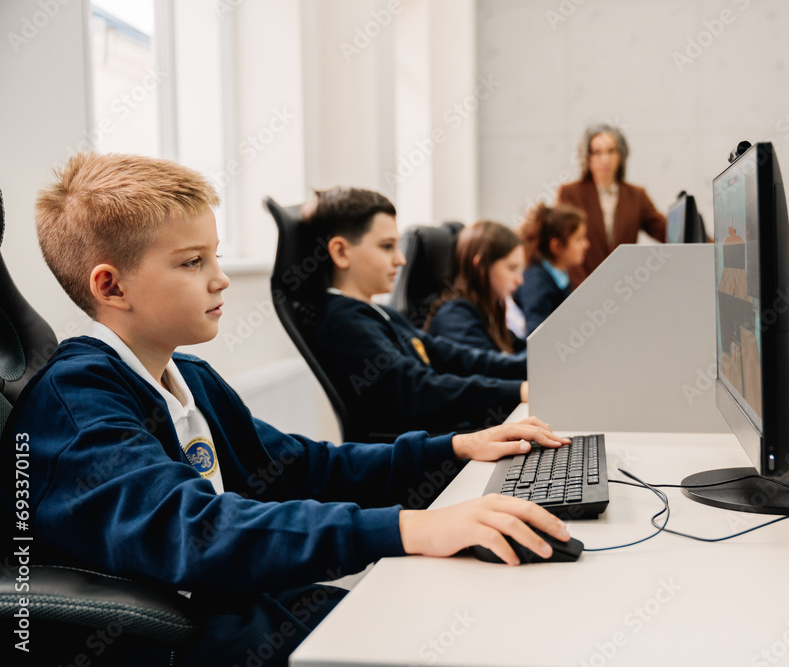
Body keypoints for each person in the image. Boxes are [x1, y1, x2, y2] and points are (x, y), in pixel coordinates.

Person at [7, 153, 571, 666]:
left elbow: (302, 467)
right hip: (173, 641)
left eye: (216, 256)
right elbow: (198, 529)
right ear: (111, 286)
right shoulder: (77, 405)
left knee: (463, 613)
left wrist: (452, 450)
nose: (220, 277)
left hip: (234, 607)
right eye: (191, 262)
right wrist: (408, 528)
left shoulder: (189, 379)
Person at [307, 188, 529, 437]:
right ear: (341, 252)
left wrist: (527, 373)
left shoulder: (381, 312)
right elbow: (419, 390)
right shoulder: (345, 323)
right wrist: (515, 391)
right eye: (387, 246)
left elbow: (452, 355)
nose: (401, 259)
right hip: (421, 456)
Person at [557, 123, 666, 286]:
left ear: (621, 155)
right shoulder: (570, 193)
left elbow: (667, 231)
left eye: (611, 151)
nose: (605, 159)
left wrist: (711, 245)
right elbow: (564, 246)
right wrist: (583, 292)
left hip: (623, 290)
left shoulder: (636, 196)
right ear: (587, 157)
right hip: (580, 289)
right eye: (597, 152)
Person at [424, 220, 526, 354]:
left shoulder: (489, 310)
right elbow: (490, 367)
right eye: (512, 268)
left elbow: (520, 348)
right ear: (481, 264)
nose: (520, 281)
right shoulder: (455, 317)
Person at [513, 203, 589, 335]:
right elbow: (537, 335)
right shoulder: (536, 282)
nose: (586, 245)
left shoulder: (559, 274)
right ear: (556, 246)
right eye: (579, 239)